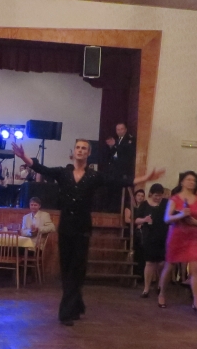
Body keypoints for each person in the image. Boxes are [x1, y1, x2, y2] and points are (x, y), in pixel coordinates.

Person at [11, 139, 164, 326]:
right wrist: (23, 156)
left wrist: (146, 177)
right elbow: (42, 168)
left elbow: (118, 181)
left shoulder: (94, 176)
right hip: (66, 226)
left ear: (88, 153)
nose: (80, 150)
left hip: (83, 227)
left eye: (84, 148)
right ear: (73, 152)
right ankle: (77, 304)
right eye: (78, 147)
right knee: (67, 268)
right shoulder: (63, 173)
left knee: (77, 268)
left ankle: (66, 312)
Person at [159, 172, 197, 312]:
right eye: (189, 179)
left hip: (192, 238)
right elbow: (167, 219)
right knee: (169, 266)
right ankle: (162, 293)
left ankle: (196, 301)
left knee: (195, 268)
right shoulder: (175, 199)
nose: (192, 182)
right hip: (176, 236)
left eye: (194, 180)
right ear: (182, 182)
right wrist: (181, 215)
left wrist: (193, 221)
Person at [136, 183, 168, 298]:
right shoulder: (144, 205)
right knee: (149, 262)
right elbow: (136, 220)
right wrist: (144, 219)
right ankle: (146, 288)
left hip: (163, 236)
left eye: (160, 195)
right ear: (150, 194)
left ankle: (160, 285)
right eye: (156, 195)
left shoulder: (166, 203)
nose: (158, 198)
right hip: (149, 236)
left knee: (161, 263)